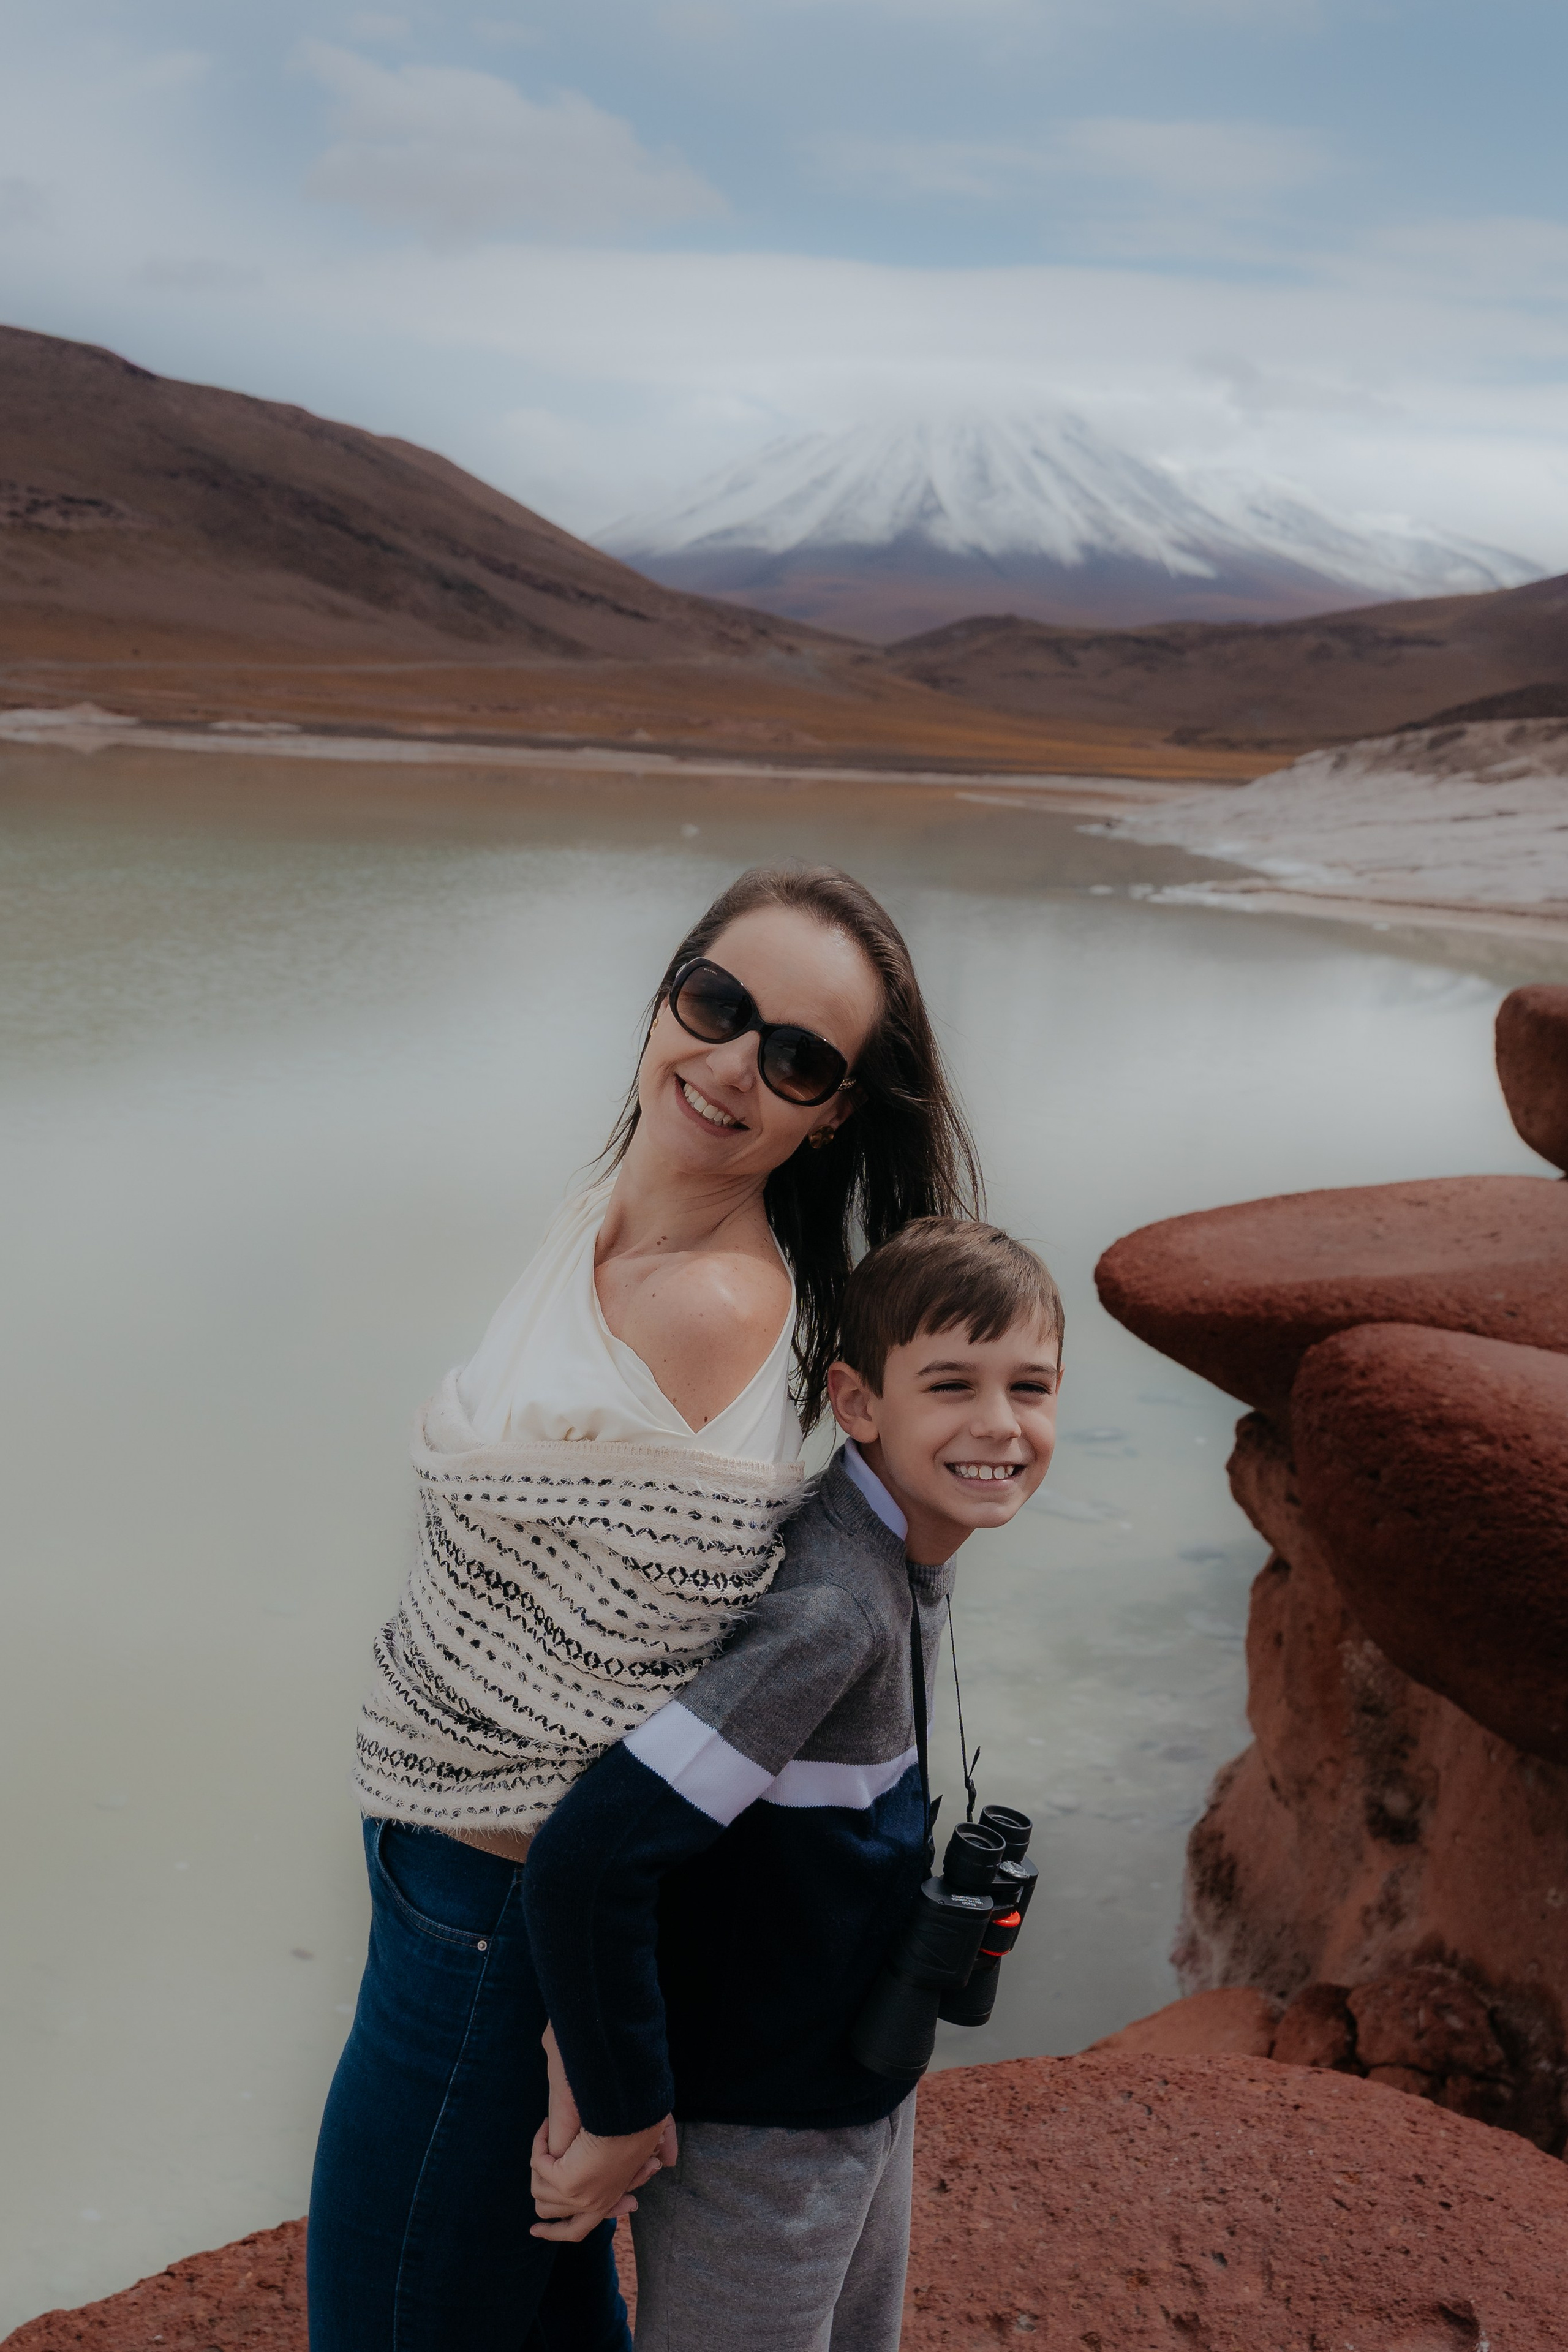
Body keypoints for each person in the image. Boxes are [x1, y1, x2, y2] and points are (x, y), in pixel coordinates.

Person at [306, 866, 981, 2352]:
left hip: (495, 1912)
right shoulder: (598, 1209)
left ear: (832, 1114)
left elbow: (613, 1719)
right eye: (717, 1004)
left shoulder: (717, 1305)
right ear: (669, 989)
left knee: (384, 2320)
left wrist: (595, 2056)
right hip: (441, 1865)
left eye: (795, 1057)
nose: (733, 1061)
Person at [521, 1216, 1065, 2352]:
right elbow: (589, 1858)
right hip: (763, 2133)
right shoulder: (831, 1612)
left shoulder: (903, 1556)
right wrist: (624, 2109)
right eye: (952, 1385)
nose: (1001, 1426)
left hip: (859, 2087)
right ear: (859, 1405)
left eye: (1032, 1387)